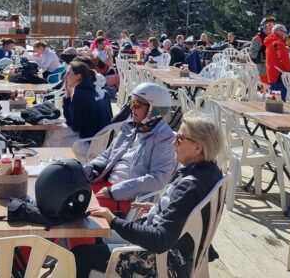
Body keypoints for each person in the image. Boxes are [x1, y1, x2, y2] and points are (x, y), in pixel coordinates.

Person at [75, 111, 224, 278]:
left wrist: (113, 220)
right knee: (96, 236)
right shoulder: (211, 173)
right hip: (181, 254)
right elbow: (186, 214)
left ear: (198, 147)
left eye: (180, 138)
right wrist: (159, 208)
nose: (174, 142)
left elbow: (160, 240)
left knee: (80, 255)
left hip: (165, 262)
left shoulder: (190, 185)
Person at [82, 82, 177, 213]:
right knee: (67, 193)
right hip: (106, 185)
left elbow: (158, 179)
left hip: (128, 198)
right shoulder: (131, 128)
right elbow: (108, 155)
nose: (132, 108)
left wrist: (115, 191)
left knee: (82, 208)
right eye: (131, 102)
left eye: (137, 104)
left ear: (154, 110)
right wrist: (90, 167)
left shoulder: (165, 139)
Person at [64, 60, 113, 156]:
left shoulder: (80, 94)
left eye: (69, 73)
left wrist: (67, 97)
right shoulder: (91, 88)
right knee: (58, 133)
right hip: (102, 140)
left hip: (92, 144)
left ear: (79, 76)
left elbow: (75, 126)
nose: (66, 76)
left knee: (54, 137)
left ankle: (50, 163)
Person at [263, 24, 290, 99]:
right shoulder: (278, 43)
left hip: (272, 74)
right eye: (285, 32)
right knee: (279, 100)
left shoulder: (270, 41)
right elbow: (284, 59)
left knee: (273, 99)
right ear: (278, 31)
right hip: (279, 75)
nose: (286, 34)